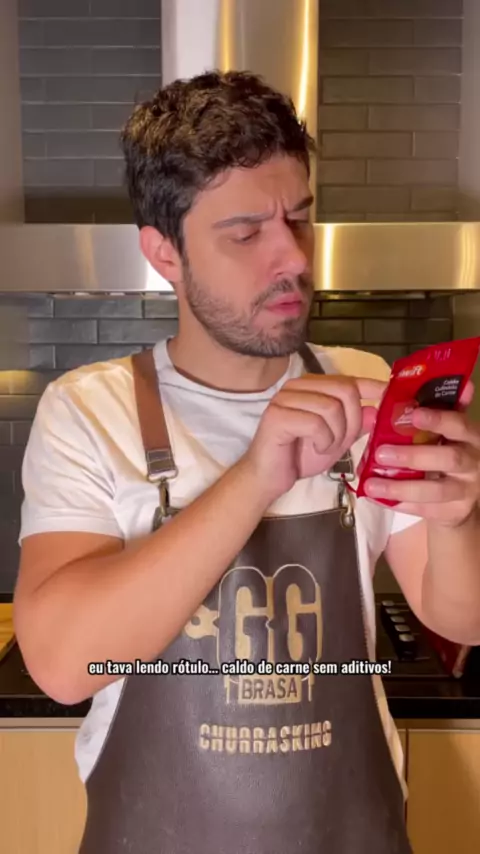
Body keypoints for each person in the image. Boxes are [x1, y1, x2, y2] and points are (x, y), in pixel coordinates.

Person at [14, 71, 480, 853]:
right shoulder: (88, 412)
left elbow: (457, 616)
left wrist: (460, 518)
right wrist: (257, 476)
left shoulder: (362, 385)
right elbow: (65, 666)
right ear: (164, 252)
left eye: (299, 218)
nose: (291, 257)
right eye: (244, 233)